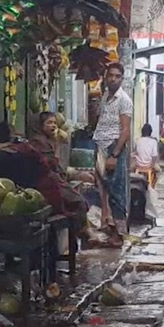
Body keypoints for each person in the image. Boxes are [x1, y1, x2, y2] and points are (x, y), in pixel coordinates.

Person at [92, 62, 132, 247]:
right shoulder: (106, 96)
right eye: (111, 75)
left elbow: (125, 130)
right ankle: (108, 227)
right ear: (106, 77)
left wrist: (114, 155)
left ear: (122, 79)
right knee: (103, 190)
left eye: (117, 76)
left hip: (112, 147)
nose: (113, 79)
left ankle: (119, 234)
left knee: (116, 191)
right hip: (100, 145)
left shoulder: (123, 99)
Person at [27, 112, 91, 228]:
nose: (53, 126)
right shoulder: (38, 142)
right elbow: (52, 165)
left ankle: (85, 233)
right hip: (46, 184)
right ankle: (85, 234)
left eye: (55, 123)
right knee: (78, 203)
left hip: (54, 180)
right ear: (41, 126)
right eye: (49, 123)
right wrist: (56, 144)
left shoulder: (48, 140)